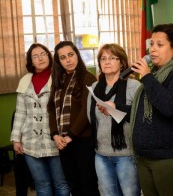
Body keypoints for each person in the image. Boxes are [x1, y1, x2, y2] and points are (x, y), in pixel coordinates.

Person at [130, 23, 173, 196]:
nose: (152, 49)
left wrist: (146, 77)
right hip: (146, 157)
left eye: (159, 45)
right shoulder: (154, 74)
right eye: (151, 44)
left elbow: (170, 107)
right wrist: (117, 108)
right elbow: (147, 109)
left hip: (172, 159)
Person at [10, 43, 70, 196]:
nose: (40, 58)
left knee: (61, 184)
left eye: (43, 54)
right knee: (41, 185)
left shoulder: (60, 77)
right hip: (30, 141)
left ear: (49, 56)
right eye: (35, 56)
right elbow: (21, 113)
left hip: (55, 140)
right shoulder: (25, 81)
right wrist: (16, 139)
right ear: (31, 61)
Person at [87, 43, 141, 196]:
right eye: (103, 59)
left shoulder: (134, 86)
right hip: (101, 153)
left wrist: (116, 109)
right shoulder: (95, 86)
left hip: (126, 154)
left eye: (112, 58)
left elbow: (140, 116)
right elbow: (90, 118)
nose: (107, 61)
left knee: (130, 193)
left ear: (122, 62)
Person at [47, 41, 99, 196]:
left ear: (77, 54)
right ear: (58, 61)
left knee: (88, 186)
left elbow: (86, 110)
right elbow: (51, 109)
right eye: (62, 58)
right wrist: (55, 134)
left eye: (70, 55)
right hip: (63, 142)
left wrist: (70, 136)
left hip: (83, 141)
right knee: (74, 186)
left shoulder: (87, 77)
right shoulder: (58, 80)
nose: (68, 60)